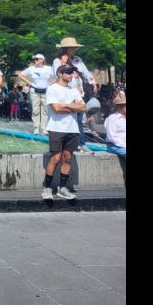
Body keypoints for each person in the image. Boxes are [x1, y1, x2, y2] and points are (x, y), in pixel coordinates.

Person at [42, 64, 86, 200]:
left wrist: (66, 105)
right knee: (55, 158)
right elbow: (56, 108)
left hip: (72, 129)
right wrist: (73, 107)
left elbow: (83, 107)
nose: (70, 75)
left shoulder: (74, 90)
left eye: (71, 72)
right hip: (56, 128)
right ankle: (47, 188)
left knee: (67, 158)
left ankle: (63, 188)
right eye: (67, 72)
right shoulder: (52, 89)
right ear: (60, 74)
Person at [52, 38, 97, 151]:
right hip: (65, 93)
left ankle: (81, 144)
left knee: (79, 119)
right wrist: (63, 62)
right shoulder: (57, 61)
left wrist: (92, 82)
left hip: (78, 92)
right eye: (72, 47)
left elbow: (85, 72)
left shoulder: (77, 59)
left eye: (75, 47)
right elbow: (58, 75)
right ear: (65, 48)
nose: (74, 49)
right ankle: (70, 144)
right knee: (68, 119)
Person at [18, 53, 52, 134]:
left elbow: (57, 76)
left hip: (45, 90)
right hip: (34, 90)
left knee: (45, 110)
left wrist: (51, 83)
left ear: (42, 60)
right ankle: (36, 127)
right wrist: (29, 83)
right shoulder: (31, 68)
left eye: (37, 59)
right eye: (34, 59)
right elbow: (20, 75)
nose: (35, 60)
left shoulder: (48, 68)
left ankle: (44, 128)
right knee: (35, 109)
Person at [104, 93, 126, 158]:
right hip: (114, 145)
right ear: (120, 107)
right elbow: (112, 137)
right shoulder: (112, 118)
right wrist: (124, 145)